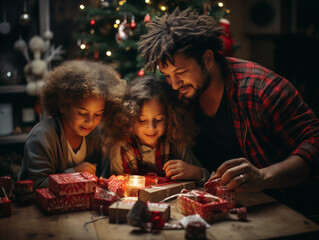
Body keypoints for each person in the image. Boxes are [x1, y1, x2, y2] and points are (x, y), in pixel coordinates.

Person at [138, 8, 319, 214]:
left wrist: (263, 177)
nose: (174, 84)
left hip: (280, 206)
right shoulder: (180, 96)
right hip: (212, 205)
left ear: (207, 59)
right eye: (167, 75)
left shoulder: (262, 89)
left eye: (181, 72)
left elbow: (314, 142)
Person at [18, 60, 126, 189]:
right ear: (63, 105)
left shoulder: (95, 134)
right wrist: (74, 174)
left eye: (98, 114)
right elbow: (36, 184)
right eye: (82, 113)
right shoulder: (43, 136)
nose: (90, 121)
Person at [107, 75, 209, 184]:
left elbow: (207, 179)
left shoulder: (176, 144)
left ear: (170, 117)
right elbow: (115, 187)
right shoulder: (121, 150)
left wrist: (196, 172)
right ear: (129, 118)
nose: (151, 127)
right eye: (142, 120)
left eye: (159, 119)